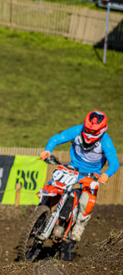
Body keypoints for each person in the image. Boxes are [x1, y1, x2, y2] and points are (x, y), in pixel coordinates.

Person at [39, 111, 118, 261]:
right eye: (87, 129)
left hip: (91, 174)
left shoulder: (106, 142)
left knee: (86, 201)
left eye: (93, 131)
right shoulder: (77, 130)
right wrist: (48, 150)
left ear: (102, 130)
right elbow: (58, 138)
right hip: (72, 168)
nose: (89, 134)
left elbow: (114, 162)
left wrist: (106, 174)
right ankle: (43, 212)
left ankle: (79, 226)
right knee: (52, 186)